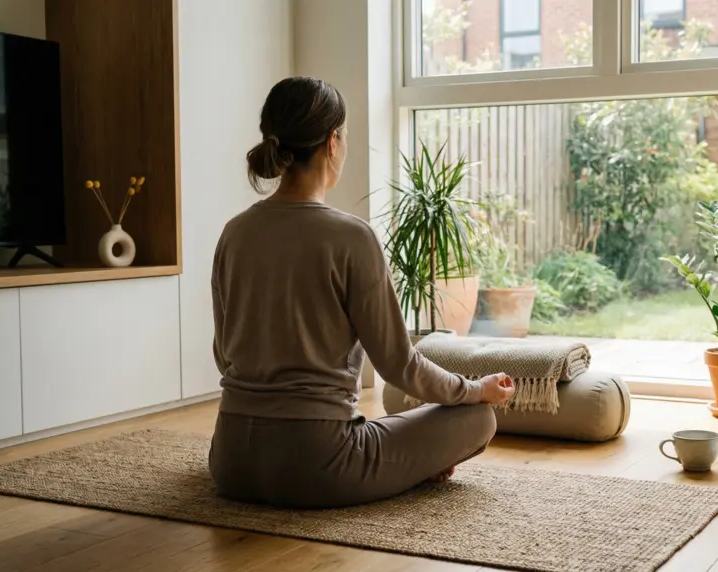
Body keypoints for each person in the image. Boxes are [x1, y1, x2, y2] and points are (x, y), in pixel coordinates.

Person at [208, 77, 515, 509]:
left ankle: (406, 461)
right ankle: (411, 465)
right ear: (333, 142)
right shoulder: (352, 237)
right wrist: (475, 389)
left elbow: (224, 354)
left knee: (392, 427)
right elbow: (398, 365)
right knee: (476, 418)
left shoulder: (234, 233)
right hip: (320, 467)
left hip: (230, 463)